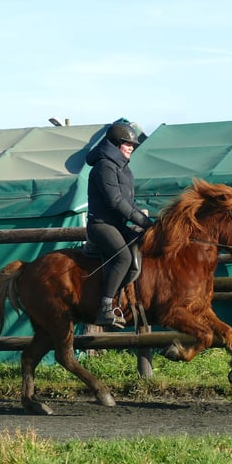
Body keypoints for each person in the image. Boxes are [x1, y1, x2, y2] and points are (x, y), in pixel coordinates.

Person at [86, 122, 154, 327]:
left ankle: (123, 298)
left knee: (143, 246)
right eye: (128, 144)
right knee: (123, 258)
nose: (132, 147)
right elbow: (115, 202)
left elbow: (129, 203)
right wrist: (143, 221)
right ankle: (105, 308)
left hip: (117, 225)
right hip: (102, 225)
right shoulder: (104, 166)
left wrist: (149, 224)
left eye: (133, 145)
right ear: (116, 144)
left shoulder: (123, 169)